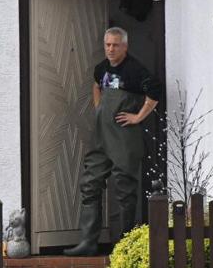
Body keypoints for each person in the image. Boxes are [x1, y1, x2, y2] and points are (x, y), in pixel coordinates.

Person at [64, 26, 162, 256]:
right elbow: (96, 86)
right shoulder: (102, 68)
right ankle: (88, 242)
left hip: (124, 138)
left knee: (124, 188)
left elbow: (155, 91)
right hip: (101, 138)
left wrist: (138, 116)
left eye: (115, 45)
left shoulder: (136, 70)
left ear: (125, 46)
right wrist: (99, 110)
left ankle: (124, 246)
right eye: (107, 44)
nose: (110, 49)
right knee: (90, 183)